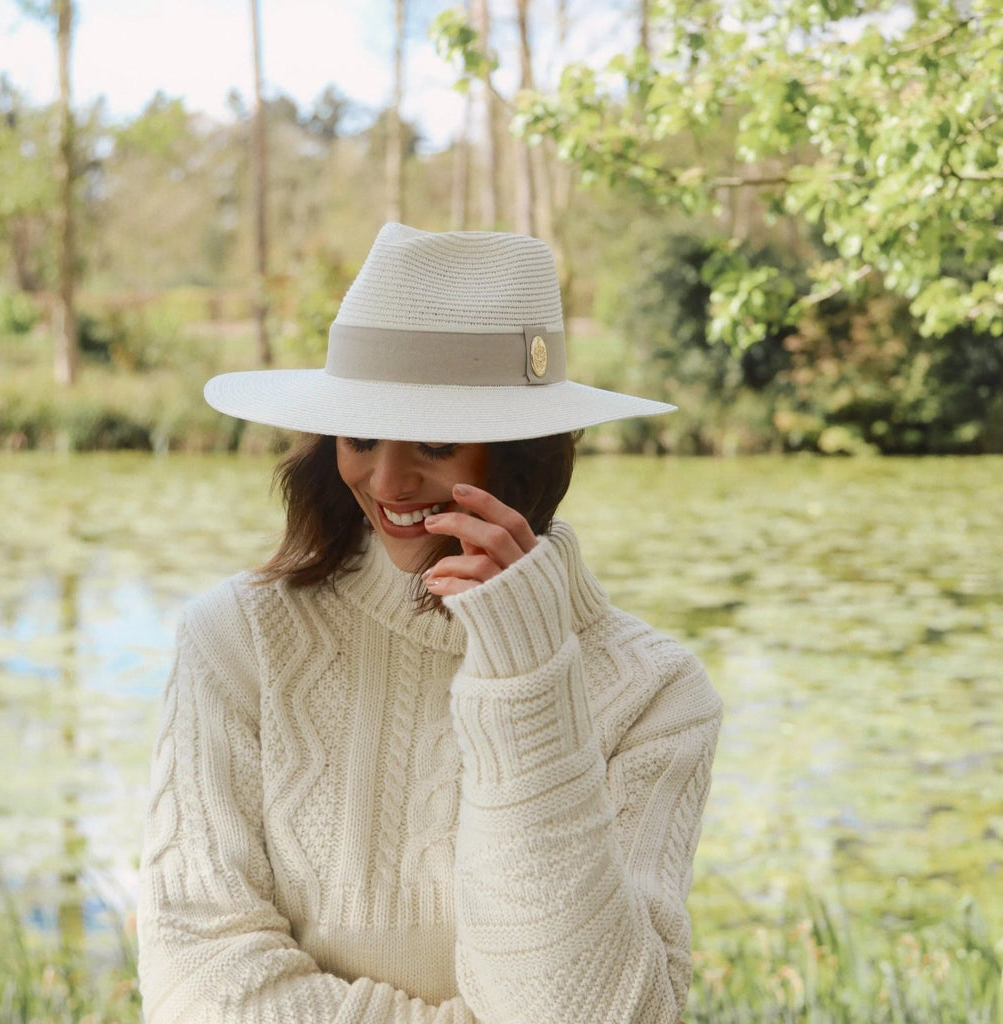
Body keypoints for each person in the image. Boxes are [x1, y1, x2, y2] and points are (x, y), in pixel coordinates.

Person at [137, 222, 722, 1024]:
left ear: (526, 454)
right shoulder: (237, 640)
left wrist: (525, 679)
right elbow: (197, 979)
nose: (385, 480)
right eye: (360, 435)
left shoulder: (657, 692)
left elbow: (591, 1013)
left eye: (437, 442)